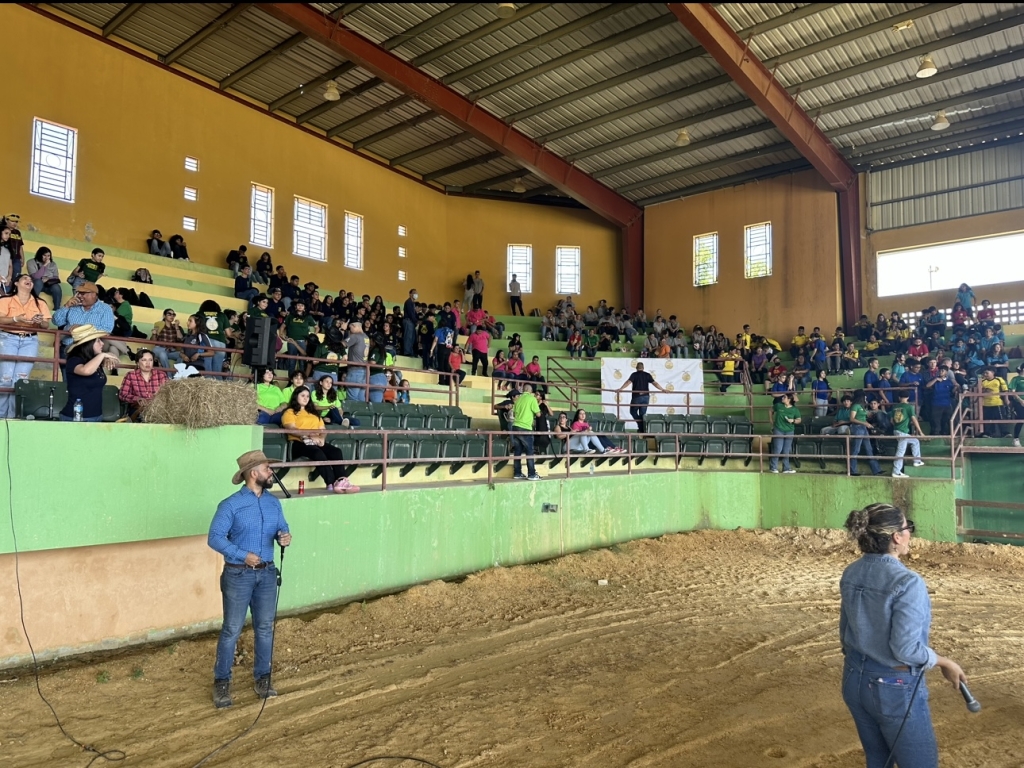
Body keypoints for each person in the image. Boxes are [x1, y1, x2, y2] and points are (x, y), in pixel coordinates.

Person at [840, 503, 967, 768]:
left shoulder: (851, 572)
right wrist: (944, 662)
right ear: (897, 537)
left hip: (854, 679)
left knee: (878, 759)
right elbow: (906, 649)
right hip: (893, 686)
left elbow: (845, 633)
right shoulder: (908, 582)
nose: (910, 533)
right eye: (907, 528)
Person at [208, 450, 292, 709]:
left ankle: (263, 679)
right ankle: (222, 682)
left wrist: (284, 537)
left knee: (265, 628)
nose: (272, 473)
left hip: (267, 574)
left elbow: (283, 528)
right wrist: (242, 555)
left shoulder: (273, 503)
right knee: (232, 629)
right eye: (268, 469)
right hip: (238, 575)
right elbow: (215, 538)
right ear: (253, 473)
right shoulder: (230, 505)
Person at [281, 387, 359, 493]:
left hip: (316, 440)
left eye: (307, 396)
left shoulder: (313, 413)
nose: (306, 398)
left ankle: (342, 480)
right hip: (298, 443)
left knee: (336, 452)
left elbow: (323, 430)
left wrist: (321, 438)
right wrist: (310, 435)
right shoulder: (289, 412)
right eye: (302, 396)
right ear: (296, 396)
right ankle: (331, 482)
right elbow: (291, 429)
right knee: (317, 452)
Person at [0, 275, 52, 417]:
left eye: (31, 279)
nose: (29, 281)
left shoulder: (40, 303)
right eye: (25, 278)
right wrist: (16, 319)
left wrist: (39, 321)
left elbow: (46, 325)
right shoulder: (6, 300)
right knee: (5, 379)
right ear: (16, 283)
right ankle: (1, 416)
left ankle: (12, 417)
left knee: (20, 380)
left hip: (30, 340)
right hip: (8, 338)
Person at [51, 281, 116, 377]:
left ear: (94, 295)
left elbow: (106, 330)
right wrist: (66, 306)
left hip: (90, 351)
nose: (79, 296)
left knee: (88, 383)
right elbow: (56, 321)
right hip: (69, 348)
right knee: (67, 381)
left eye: (83, 293)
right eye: (78, 293)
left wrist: (82, 328)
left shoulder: (105, 308)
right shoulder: (72, 305)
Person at [60, 324, 118, 421]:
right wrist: (103, 355)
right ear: (89, 343)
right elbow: (86, 370)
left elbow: (112, 357)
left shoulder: (94, 360)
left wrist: (107, 356)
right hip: (75, 417)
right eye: (98, 341)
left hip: (96, 416)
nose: (102, 344)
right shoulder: (74, 360)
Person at [117, 348, 168, 420]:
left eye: (150, 360)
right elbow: (123, 395)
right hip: (138, 409)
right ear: (137, 363)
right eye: (144, 360)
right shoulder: (131, 375)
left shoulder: (161, 375)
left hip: (158, 408)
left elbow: (168, 393)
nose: (148, 363)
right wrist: (137, 399)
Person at [616, 362, 667, 433]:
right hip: (646, 396)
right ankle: (642, 429)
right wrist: (662, 389)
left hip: (637, 396)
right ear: (643, 368)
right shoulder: (647, 375)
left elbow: (628, 382)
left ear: (636, 368)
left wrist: (621, 389)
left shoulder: (634, 375)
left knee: (633, 412)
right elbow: (655, 383)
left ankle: (641, 427)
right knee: (643, 414)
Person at [510, 383, 541, 480]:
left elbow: (514, 414)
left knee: (517, 451)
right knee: (529, 451)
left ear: (523, 390)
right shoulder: (532, 399)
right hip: (526, 428)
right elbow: (538, 414)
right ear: (531, 391)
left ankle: (517, 473)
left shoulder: (518, 399)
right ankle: (531, 474)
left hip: (515, 427)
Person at [890, 391, 925, 478]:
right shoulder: (909, 407)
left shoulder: (895, 407)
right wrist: (920, 432)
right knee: (901, 451)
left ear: (899, 398)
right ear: (908, 398)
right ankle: (896, 471)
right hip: (903, 432)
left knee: (915, 441)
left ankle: (917, 461)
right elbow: (914, 419)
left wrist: (898, 426)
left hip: (896, 430)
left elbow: (891, 421)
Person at [769, 392, 800, 474]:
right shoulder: (778, 405)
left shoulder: (795, 409)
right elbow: (770, 410)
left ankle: (786, 468)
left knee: (786, 450)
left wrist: (793, 420)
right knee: (778, 448)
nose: (782, 398)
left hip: (790, 430)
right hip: (778, 429)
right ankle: (773, 467)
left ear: (789, 399)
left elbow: (799, 420)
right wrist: (771, 421)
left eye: (784, 397)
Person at [976, 367, 1008, 438]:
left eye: (987, 373)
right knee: (987, 419)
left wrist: (1006, 400)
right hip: (986, 404)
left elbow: (1005, 390)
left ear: (993, 372)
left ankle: (1004, 433)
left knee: (1001, 418)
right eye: (984, 373)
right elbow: (978, 391)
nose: (985, 374)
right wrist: (985, 390)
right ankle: (988, 433)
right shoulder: (982, 381)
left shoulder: (999, 379)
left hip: (998, 403)